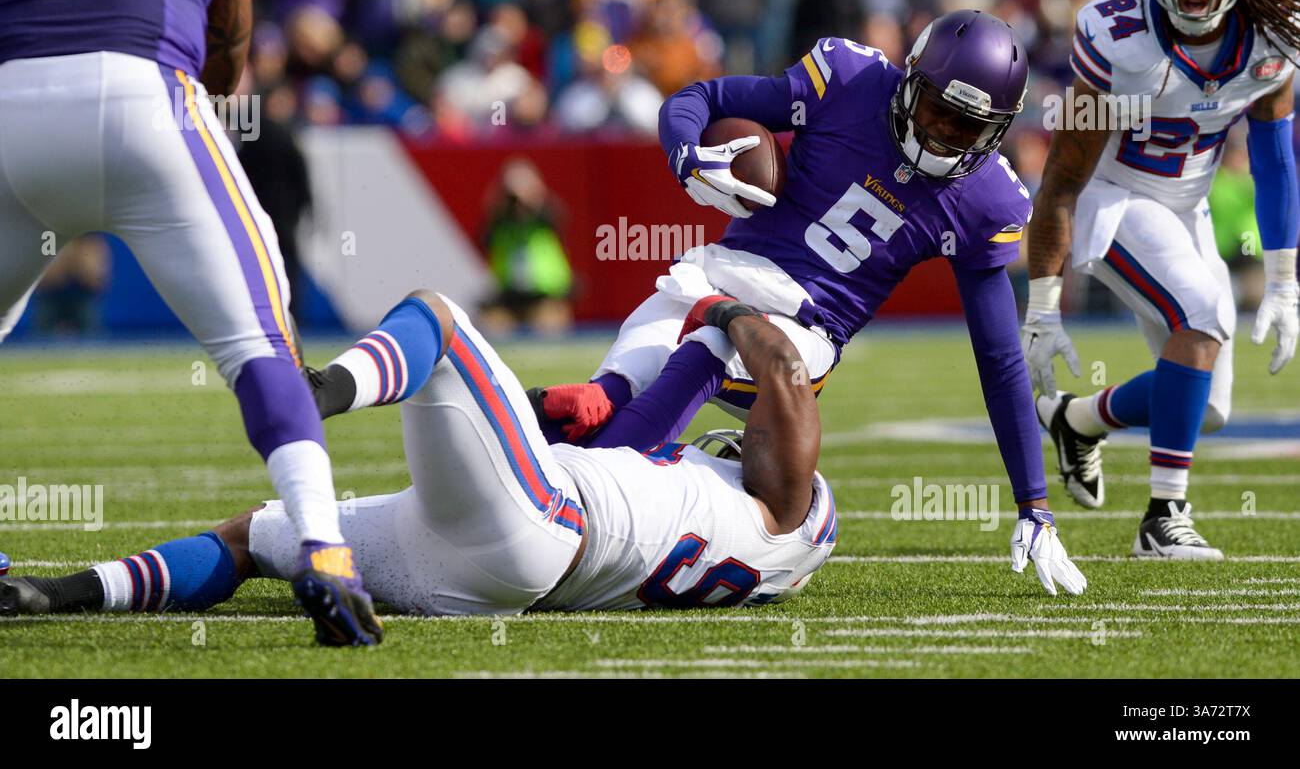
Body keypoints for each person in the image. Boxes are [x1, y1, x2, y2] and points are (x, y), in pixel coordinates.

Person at [0, 287, 1086, 618]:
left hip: (541, 526)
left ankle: (312, 391)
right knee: (265, 537)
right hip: (495, 567)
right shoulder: (732, 531)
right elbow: (641, 448)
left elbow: (790, 390)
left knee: (430, 314)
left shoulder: (778, 511)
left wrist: (731, 308)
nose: (745, 433)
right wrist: (584, 407)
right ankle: (58, 594)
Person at [532, 9, 1085, 578]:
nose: (944, 136)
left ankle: (572, 514)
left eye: (968, 128)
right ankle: (513, 466)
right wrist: (688, 159)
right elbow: (698, 98)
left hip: (805, 329)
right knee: (611, 394)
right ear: (910, 78)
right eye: (938, 111)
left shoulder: (987, 200)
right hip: (719, 274)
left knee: (711, 351)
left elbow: (998, 358)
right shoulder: (848, 80)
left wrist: (1034, 504)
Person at [0, 0, 379, 643]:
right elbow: (228, 42)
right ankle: (323, 547)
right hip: (144, 95)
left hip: (12, 110)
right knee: (259, 346)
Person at [1022, 0, 1300, 559]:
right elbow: (1061, 180)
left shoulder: (1275, 30)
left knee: (1204, 402)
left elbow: (1273, 158)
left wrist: (1285, 277)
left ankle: (1077, 420)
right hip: (1110, 197)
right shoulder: (1115, 37)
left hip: (1188, 204)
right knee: (1203, 312)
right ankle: (1163, 516)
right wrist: (1043, 304)